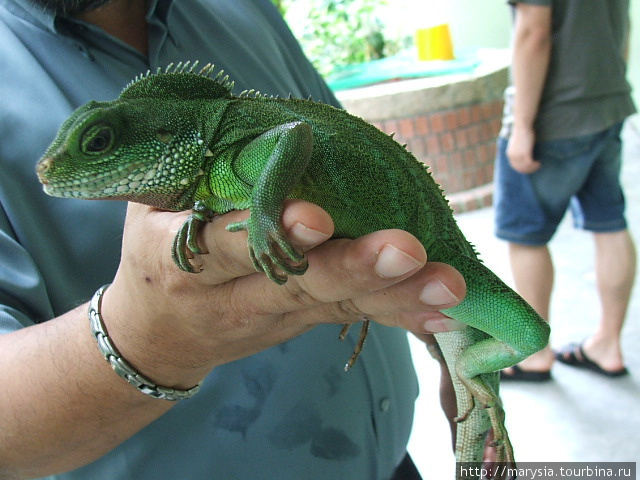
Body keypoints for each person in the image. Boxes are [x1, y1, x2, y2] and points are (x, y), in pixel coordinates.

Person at [0, 1, 469, 478]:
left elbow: (349, 170)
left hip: (395, 460)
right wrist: (144, 338)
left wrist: (449, 340)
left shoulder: (242, 8)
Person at [495, 0, 637, 381]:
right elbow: (623, 22)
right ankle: (608, 344)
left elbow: (534, 30)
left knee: (525, 236)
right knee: (610, 224)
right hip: (607, 104)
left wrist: (522, 125)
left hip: (553, 116)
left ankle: (534, 355)